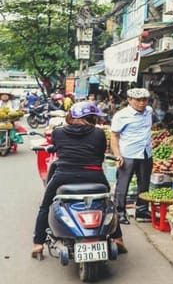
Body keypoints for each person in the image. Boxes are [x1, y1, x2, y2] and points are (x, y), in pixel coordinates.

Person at [31, 102, 126, 258]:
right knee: (108, 204)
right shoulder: (98, 134)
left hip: (64, 176)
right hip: (94, 176)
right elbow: (100, 153)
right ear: (92, 117)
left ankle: (38, 244)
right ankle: (118, 238)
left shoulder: (58, 133)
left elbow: (57, 147)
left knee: (45, 206)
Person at [111, 88, 153, 225]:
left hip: (146, 153)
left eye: (144, 100)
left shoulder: (149, 111)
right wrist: (117, 155)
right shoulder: (121, 115)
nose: (142, 103)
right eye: (138, 100)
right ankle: (120, 212)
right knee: (123, 185)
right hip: (128, 154)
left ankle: (142, 210)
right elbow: (114, 136)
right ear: (129, 100)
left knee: (144, 184)